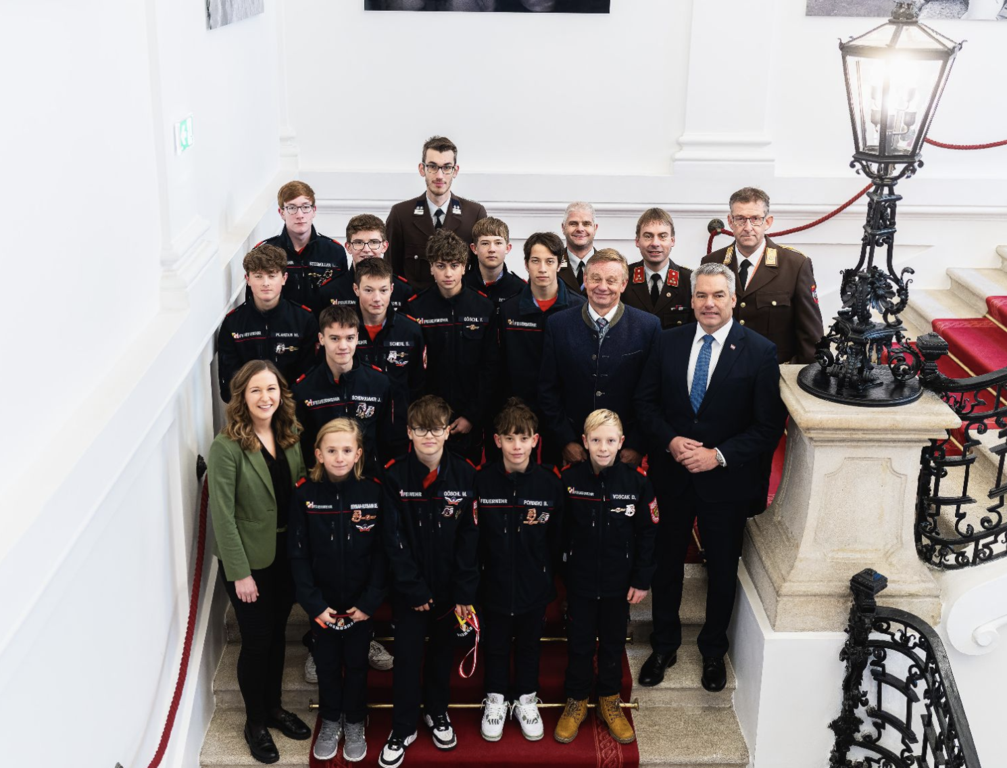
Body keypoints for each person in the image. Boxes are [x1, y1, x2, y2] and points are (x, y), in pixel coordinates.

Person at [635, 263, 786, 693]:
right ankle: (664, 645)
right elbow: (645, 403)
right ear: (691, 300)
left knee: (721, 569)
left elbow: (767, 427)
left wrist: (718, 456)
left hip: (726, 483)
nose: (709, 303)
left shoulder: (760, 351)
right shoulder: (667, 341)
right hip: (672, 475)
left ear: (733, 299)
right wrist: (670, 441)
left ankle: (713, 650)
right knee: (667, 565)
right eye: (701, 295)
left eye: (718, 295)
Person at [207, 360, 312, 764]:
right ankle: (254, 723)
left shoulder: (290, 433)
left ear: (280, 393)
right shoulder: (226, 447)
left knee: (278, 633)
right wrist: (240, 573)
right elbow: (223, 516)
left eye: (271, 389)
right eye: (255, 390)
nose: (265, 397)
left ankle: (274, 708)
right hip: (249, 561)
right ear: (242, 397)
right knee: (256, 641)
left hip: (286, 554)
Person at [379, 396, 479, 768]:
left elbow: (470, 538)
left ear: (448, 431)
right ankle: (402, 726)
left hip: (449, 590)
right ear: (409, 432)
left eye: (436, 429)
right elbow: (392, 538)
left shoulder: (466, 475)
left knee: (441, 654)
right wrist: (412, 587)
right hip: (410, 591)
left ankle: (437, 712)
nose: (429, 437)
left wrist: (464, 590)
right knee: (407, 658)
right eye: (420, 429)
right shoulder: (393, 475)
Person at [554, 409, 657, 746]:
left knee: (612, 644)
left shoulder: (637, 482)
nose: (603, 447)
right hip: (580, 582)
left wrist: (641, 579)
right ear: (584, 442)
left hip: (618, 584)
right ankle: (576, 700)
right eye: (596, 440)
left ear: (621, 442)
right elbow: (558, 533)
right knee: (580, 643)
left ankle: (609, 700)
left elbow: (647, 534)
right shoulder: (568, 480)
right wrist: (562, 574)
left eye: (610, 441)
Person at [288, 419, 387, 763]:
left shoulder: (373, 492)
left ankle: (356, 720)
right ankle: (331, 719)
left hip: (360, 605)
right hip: (323, 606)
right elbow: (297, 554)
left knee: (357, 665)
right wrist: (313, 604)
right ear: (318, 454)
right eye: (331, 450)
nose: (339, 457)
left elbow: (382, 553)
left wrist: (370, 601)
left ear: (358, 454)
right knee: (327, 665)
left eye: (346, 450)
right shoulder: (305, 494)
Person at [475, 399, 564, 743]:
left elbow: (557, 537)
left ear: (535, 441)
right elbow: (472, 536)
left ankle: (527, 699)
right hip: (493, 583)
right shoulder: (481, 481)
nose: (516, 446)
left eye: (523, 438)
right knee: (496, 644)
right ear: (497, 440)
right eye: (509, 438)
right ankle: (496, 699)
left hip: (533, 584)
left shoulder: (550, 483)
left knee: (529, 645)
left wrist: (544, 572)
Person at [539, 249, 661, 468]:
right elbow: (548, 389)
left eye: (611, 280)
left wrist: (636, 445)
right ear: (585, 280)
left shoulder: (648, 327)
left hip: (625, 451)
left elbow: (653, 393)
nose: (602, 287)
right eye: (596, 279)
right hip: (572, 449)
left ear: (623, 284)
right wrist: (565, 440)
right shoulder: (557, 325)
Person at [701, 186, 823, 364]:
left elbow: (811, 336)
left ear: (768, 222)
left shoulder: (795, 265)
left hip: (774, 370)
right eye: (740, 219)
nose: (748, 227)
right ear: (730, 221)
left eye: (756, 219)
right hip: (722, 367)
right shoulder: (712, 262)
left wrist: (794, 373)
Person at [407, 229, 498, 464]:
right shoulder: (415, 309)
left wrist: (471, 416)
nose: (448, 273)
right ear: (431, 268)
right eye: (441, 266)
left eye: (454, 265)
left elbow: (490, 368)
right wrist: (424, 414)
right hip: (427, 420)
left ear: (464, 267)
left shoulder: (483, 307)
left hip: (469, 419)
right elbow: (412, 369)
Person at [498, 232, 585, 465]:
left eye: (549, 261)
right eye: (535, 261)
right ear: (526, 264)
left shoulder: (579, 308)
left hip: (564, 414)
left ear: (560, 264)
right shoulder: (508, 310)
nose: (542, 269)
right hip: (519, 411)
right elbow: (500, 365)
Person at [292, 305, 393, 475]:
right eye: (335, 338)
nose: (343, 346)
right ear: (321, 339)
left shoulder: (379, 383)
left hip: (368, 478)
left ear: (357, 338)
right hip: (322, 479)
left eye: (349, 338)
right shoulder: (304, 389)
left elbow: (387, 439)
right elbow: (303, 446)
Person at [217, 244, 318, 401]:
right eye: (258, 276)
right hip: (249, 406)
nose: (265, 283)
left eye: (272, 276)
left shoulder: (304, 320)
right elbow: (229, 380)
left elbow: (309, 374)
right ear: (248, 279)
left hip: (293, 406)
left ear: (284, 278)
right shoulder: (233, 323)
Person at [386, 136, 488, 291]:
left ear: (455, 171)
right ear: (422, 169)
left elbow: (478, 273)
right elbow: (391, 271)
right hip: (415, 304)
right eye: (432, 166)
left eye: (446, 167)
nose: (439, 175)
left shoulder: (474, 214)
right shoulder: (401, 214)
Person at [352, 257, 425, 458]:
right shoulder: (345, 330)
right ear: (356, 289)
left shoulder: (410, 330)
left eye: (383, 290)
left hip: (398, 430)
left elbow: (418, 384)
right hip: (354, 432)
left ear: (392, 289)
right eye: (368, 290)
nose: (377, 298)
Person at [257, 180, 349, 307]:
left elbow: (343, 299)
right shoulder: (264, 253)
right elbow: (255, 303)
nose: (300, 215)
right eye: (292, 208)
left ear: (314, 210)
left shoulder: (334, 251)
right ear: (282, 213)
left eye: (305, 207)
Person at [314, 214, 414, 315]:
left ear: (384, 246)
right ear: (348, 247)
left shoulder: (404, 291)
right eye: (358, 242)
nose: (366, 249)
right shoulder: (329, 291)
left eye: (373, 242)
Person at [622, 208, 693, 329]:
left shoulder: (689, 280)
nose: (655, 243)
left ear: (672, 241)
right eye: (648, 236)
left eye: (662, 236)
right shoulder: (624, 277)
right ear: (637, 241)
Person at [462, 216, 525, 310]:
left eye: (498, 243)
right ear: (474, 248)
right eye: (485, 243)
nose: (491, 249)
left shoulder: (521, 289)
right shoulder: (461, 286)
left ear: (507, 248)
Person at [558, 202, 598, 294]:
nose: (580, 229)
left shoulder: (608, 265)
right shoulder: (552, 264)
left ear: (595, 228)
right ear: (563, 228)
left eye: (586, 224)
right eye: (573, 223)